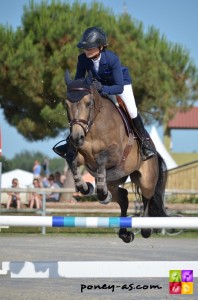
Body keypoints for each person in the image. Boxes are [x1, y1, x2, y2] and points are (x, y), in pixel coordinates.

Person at [54, 26, 155, 161]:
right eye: (85, 48)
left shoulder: (113, 59)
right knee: (81, 109)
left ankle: (145, 142)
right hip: (97, 85)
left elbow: (118, 88)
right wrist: (75, 88)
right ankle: (71, 142)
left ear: (101, 47)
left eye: (90, 48)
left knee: (131, 110)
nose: (86, 51)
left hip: (120, 85)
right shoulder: (83, 59)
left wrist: (103, 89)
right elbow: (79, 80)